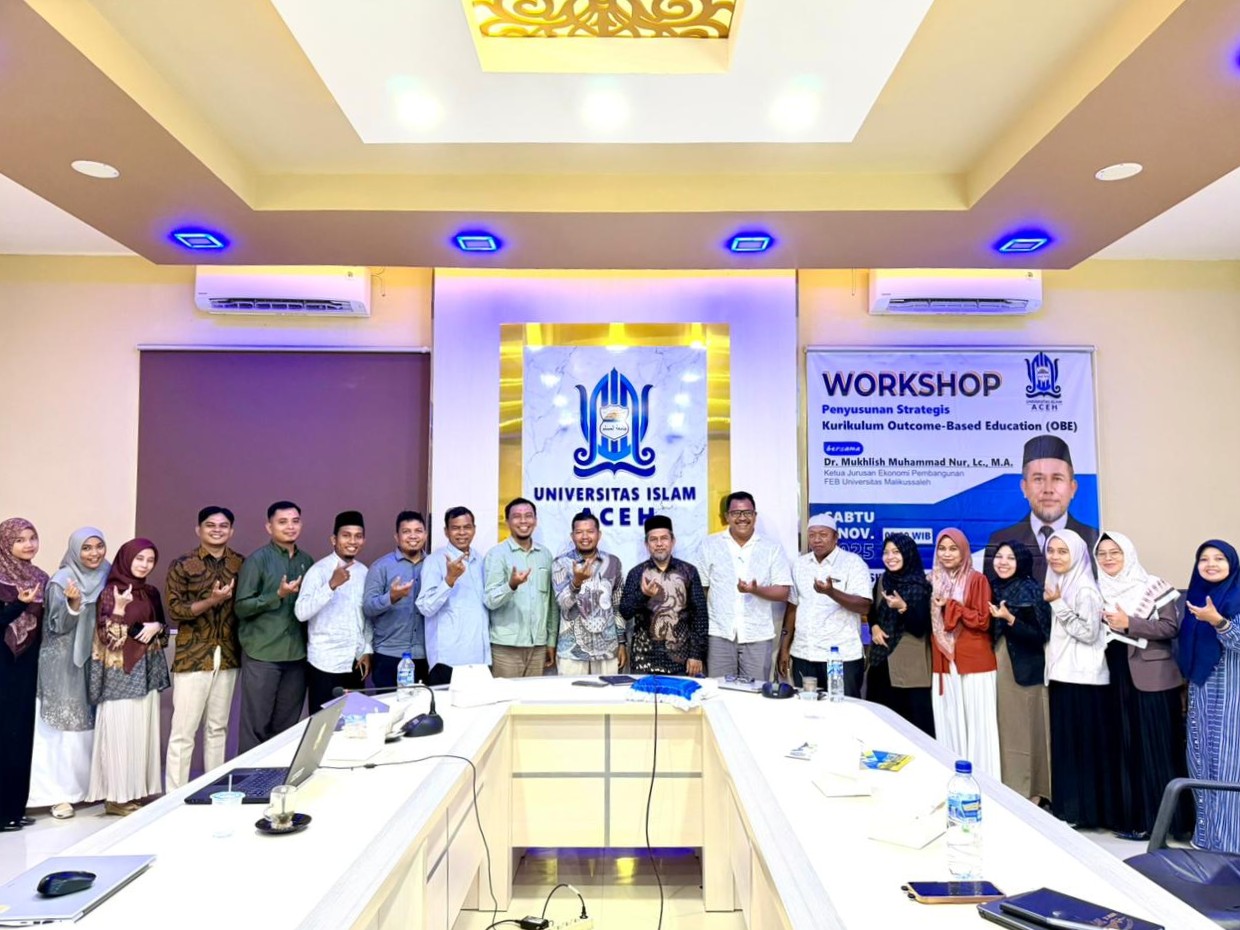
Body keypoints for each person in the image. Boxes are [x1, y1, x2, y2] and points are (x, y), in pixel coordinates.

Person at [1095, 531, 1188, 840]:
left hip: (1153, 677)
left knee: (1156, 747)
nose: (1108, 558)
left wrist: (1129, 624)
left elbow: (1170, 627)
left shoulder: (1153, 586)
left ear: (1128, 554)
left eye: (1115, 552)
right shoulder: (1097, 589)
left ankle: (1165, 823)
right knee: (1126, 746)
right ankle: (1134, 820)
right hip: (1114, 676)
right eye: (1102, 553)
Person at [163, 507, 243, 792]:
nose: (217, 530)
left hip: (229, 655)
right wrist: (211, 601)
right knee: (183, 732)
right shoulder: (183, 564)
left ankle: (215, 791)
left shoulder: (240, 564)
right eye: (210, 525)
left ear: (231, 531)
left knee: (217, 729)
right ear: (199, 530)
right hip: (193, 656)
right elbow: (175, 610)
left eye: (223, 526)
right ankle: (174, 796)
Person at [87, 539, 169, 816]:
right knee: (120, 733)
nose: (145, 565)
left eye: (150, 560)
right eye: (139, 559)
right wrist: (120, 608)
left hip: (146, 670)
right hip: (120, 673)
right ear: (126, 559)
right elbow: (108, 639)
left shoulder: (150, 591)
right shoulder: (110, 592)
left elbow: (162, 631)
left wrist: (157, 625)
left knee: (141, 732)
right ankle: (116, 797)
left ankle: (136, 791)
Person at [29, 528, 108, 819]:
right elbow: (56, 625)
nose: (94, 553)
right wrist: (73, 605)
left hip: (95, 658)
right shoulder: (62, 580)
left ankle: (87, 789)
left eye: (99, 546)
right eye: (86, 548)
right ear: (75, 550)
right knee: (60, 725)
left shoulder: (108, 574)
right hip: (61, 661)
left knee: (88, 723)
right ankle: (57, 795)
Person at [1044, 528, 1112, 829]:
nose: (1055, 557)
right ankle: (1068, 811)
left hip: (1084, 680)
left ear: (1077, 554)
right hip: (1064, 676)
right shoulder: (1058, 582)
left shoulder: (1084, 588)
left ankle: (1084, 813)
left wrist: (1058, 605)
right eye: (1051, 550)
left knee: (1082, 749)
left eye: (1063, 551)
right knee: (1067, 748)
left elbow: (1089, 633)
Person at [234, 501, 314, 753]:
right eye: (282, 522)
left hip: (297, 655)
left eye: (295, 521)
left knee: (287, 728)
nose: (290, 527)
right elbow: (241, 607)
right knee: (256, 726)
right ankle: (249, 776)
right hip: (263, 652)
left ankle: (278, 773)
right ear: (269, 527)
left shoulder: (307, 560)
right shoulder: (257, 560)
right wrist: (277, 595)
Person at [1179, 539, 1240, 852]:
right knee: (1201, 760)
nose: (1211, 564)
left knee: (1229, 764)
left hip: (1232, 696)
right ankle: (1206, 836)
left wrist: (1219, 622)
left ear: (1232, 564)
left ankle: (1230, 842)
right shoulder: (1195, 598)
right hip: (1201, 693)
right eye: (1204, 559)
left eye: (1219, 558)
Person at [697, 492, 792, 680]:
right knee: (720, 691)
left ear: (755, 516)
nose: (742, 518)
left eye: (747, 512)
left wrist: (756, 590)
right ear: (727, 517)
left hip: (757, 635)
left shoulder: (771, 547)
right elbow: (702, 590)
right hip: (719, 635)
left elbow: (783, 592)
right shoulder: (709, 545)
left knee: (755, 693)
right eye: (736, 513)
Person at [929, 528, 1000, 778]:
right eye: (942, 548)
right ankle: (953, 779)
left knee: (978, 726)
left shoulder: (976, 580)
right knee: (949, 722)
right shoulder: (932, 580)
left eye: (953, 548)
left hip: (974, 661)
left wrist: (952, 606)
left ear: (964, 551)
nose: (947, 554)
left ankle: (985, 782)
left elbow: (982, 620)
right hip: (943, 660)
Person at [986, 540, 1052, 804]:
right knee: (1003, 729)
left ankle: (1032, 791)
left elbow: (1040, 636)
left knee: (1027, 730)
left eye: (1010, 558)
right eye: (999, 556)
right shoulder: (989, 587)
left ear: (1022, 561)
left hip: (1025, 670)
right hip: (994, 668)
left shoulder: (1033, 591)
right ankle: (1005, 785)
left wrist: (1010, 619)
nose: (1003, 562)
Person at [777, 514, 871, 696]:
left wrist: (831, 592)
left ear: (836, 537)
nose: (817, 540)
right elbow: (793, 607)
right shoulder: (800, 565)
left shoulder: (853, 563)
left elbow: (864, 606)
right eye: (812, 535)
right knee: (808, 708)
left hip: (841, 657)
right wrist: (784, 648)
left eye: (823, 534)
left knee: (843, 708)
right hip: (804, 653)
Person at [985, 435, 1099, 583]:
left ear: (1072, 488)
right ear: (1024, 488)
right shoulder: (1000, 540)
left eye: (1057, 479)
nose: (1048, 489)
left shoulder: (1092, 539)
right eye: (1038, 479)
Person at [295, 511, 371, 714]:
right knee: (324, 725)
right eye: (346, 535)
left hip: (355, 662)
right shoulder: (318, 571)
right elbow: (301, 612)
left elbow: (367, 616)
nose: (352, 541)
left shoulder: (364, 572)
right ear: (333, 539)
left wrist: (366, 649)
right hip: (325, 663)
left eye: (358, 536)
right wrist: (331, 585)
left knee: (355, 724)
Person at [0, 518, 47, 832]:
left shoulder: (40, 577)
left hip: (26, 665)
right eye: (19, 540)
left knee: (21, 737)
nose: (28, 545)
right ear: (6, 543)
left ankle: (15, 809)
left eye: (32, 538)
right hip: (3, 665)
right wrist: (18, 603)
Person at [618, 515, 707, 676]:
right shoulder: (637, 573)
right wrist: (643, 594)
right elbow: (625, 611)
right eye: (653, 539)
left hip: (682, 661)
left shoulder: (689, 571)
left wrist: (696, 654)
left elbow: (699, 615)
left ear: (673, 541)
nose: (659, 544)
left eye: (664, 538)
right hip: (644, 660)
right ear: (647, 544)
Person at [865, 533, 934, 737]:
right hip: (881, 662)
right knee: (881, 727)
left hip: (910, 669)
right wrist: (874, 627)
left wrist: (903, 607)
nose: (890, 557)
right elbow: (872, 611)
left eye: (896, 552)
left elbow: (921, 627)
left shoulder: (921, 586)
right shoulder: (883, 581)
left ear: (907, 554)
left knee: (912, 729)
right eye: (886, 552)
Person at [484, 498, 559, 678]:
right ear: (507, 521)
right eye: (517, 516)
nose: (523, 521)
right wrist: (511, 585)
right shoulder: (497, 554)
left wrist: (551, 641)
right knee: (505, 695)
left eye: (528, 516)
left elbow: (551, 603)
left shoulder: (545, 555)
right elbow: (490, 600)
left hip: (538, 646)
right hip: (506, 647)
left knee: (533, 695)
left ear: (535, 520)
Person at [416, 507, 490, 686]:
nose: (462, 532)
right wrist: (449, 580)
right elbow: (425, 607)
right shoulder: (435, 561)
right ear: (446, 531)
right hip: (448, 660)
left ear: (474, 529)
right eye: (456, 528)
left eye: (467, 527)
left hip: (479, 660)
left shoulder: (481, 560)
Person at [552, 512, 627, 675]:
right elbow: (563, 604)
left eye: (590, 531)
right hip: (572, 653)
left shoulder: (613, 562)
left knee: (609, 692)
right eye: (579, 532)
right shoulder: (561, 563)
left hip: (608, 649)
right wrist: (576, 583)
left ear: (599, 534)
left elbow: (617, 606)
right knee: (570, 692)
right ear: (572, 536)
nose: (585, 536)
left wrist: (622, 642)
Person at [363, 511, 428, 687]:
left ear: (425, 535)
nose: (413, 536)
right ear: (397, 537)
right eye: (406, 531)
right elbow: (368, 607)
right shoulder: (381, 567)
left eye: (418, 531)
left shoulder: (433, 565)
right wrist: (390, 598)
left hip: (425, 655)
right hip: (389, 655)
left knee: (423, 703)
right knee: (389, 703)